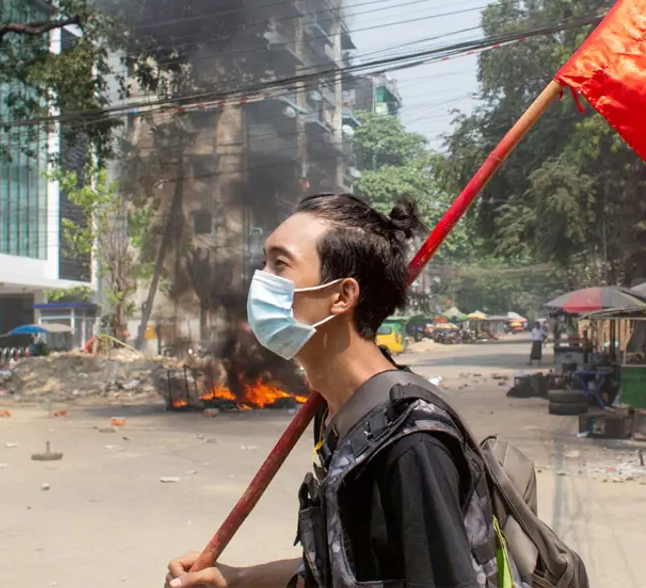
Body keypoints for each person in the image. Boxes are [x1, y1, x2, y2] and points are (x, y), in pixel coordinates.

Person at [165, 194, 490, 588]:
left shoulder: (410, 441)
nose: (260, 279)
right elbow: (337, 572)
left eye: (279, 264)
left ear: (342, 296)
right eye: (264, 262)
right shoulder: (339, 415)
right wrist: (233, 579)